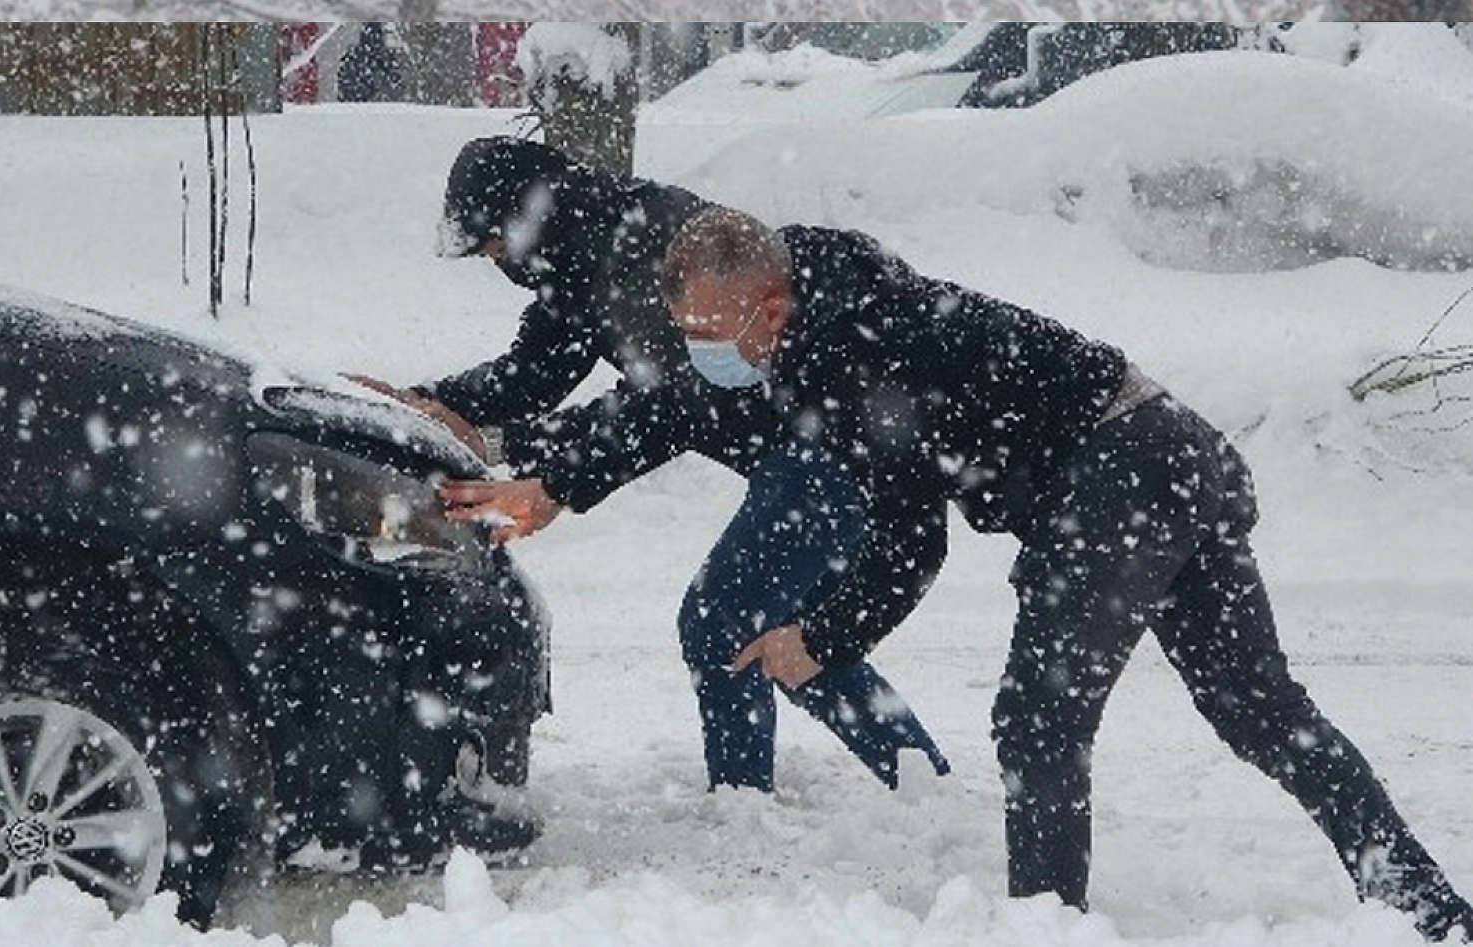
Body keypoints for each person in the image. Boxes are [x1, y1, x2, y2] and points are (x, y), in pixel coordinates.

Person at [546, 203, 1472, 940]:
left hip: (1117, 480)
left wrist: (816, 639)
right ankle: (1426, 907)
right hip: (1178, 449)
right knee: (1261, 708)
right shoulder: (844, 308)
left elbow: (913, 546)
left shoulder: (853, 347)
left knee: (1040, 719)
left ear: (770, 308)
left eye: (716, 333)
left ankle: (1048, 928)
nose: (712, 355)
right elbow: (723, 422)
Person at [369, 136, 947, 792]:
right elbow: (532, 374)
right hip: (797, 448)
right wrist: (428, 404)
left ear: (528, 215)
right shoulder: (577, 260)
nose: (496, 260)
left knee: (722, 618)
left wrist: (550, 474)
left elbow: (670, 405)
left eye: (495, 242)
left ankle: (742, 804)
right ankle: (923, 783)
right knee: (790, 634)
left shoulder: (648, 245)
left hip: (824, 440)